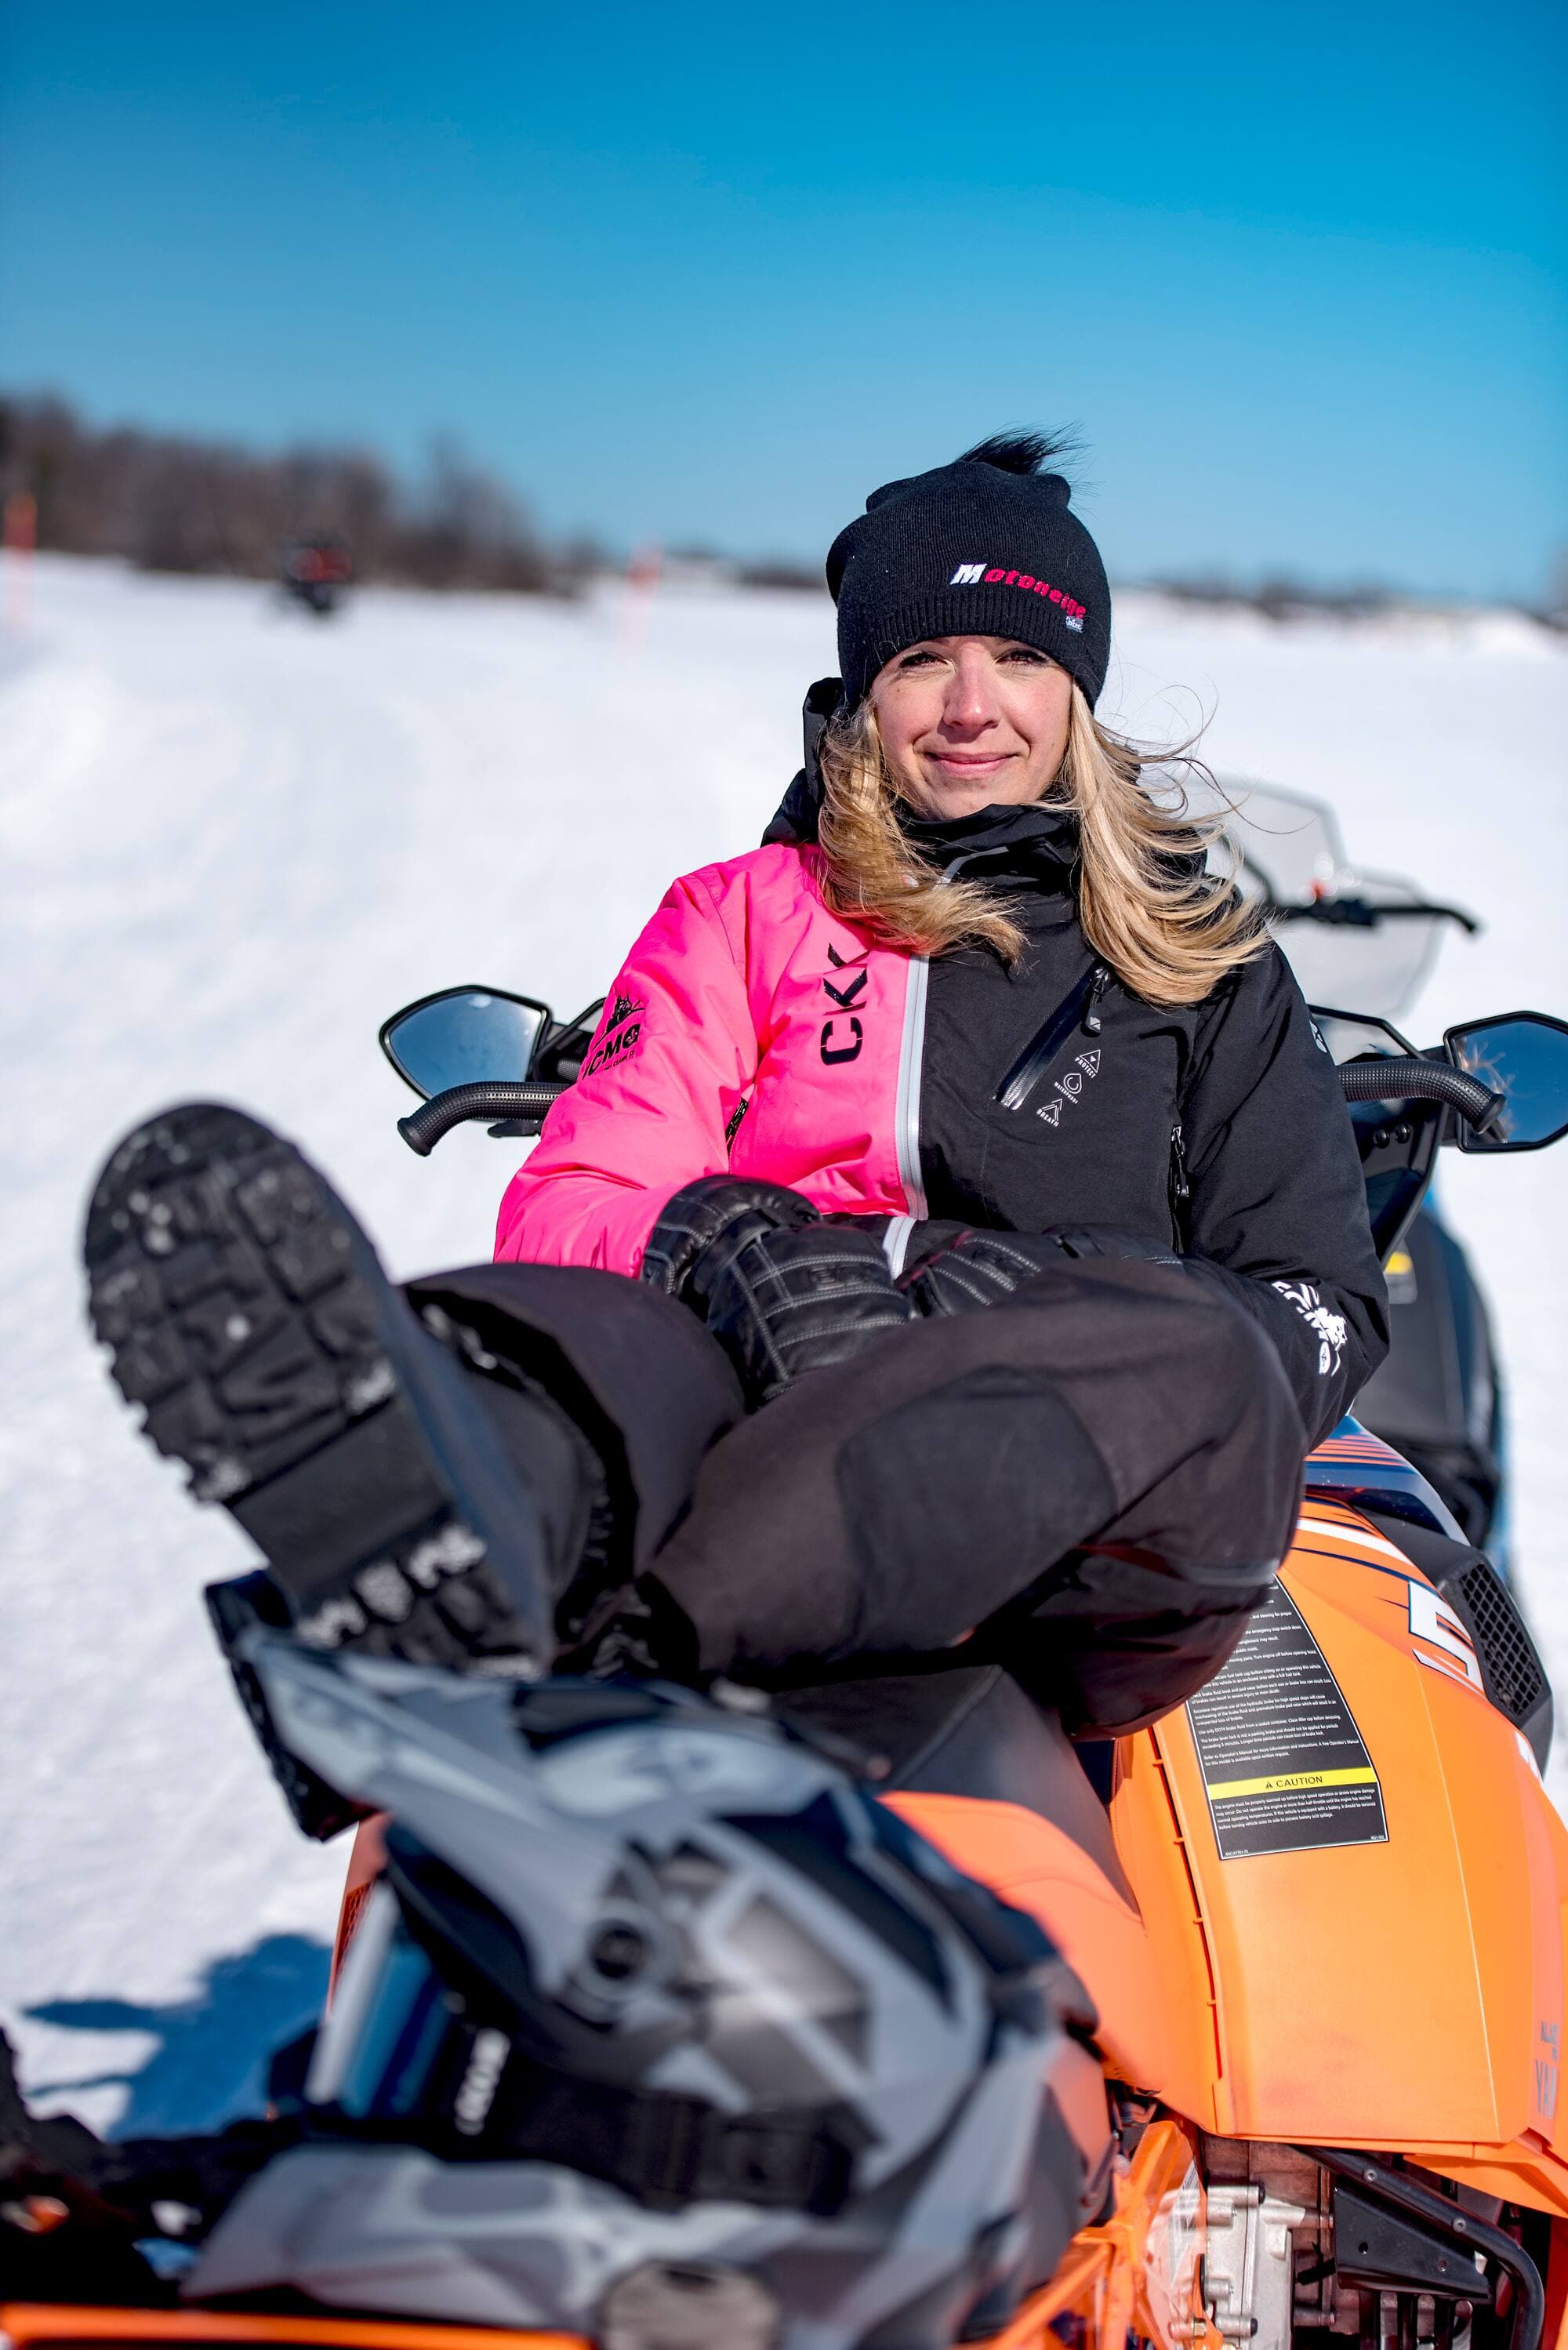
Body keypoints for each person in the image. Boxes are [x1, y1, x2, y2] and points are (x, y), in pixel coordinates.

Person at [85, 431, 1386, 1820]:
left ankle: (595, 1652)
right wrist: (717, 1248)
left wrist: (991, 1295)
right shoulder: (746, 915)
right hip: (774, 1420)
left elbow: (1318, 1304)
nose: (968, 704)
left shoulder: (1204, 960)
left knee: (1211, 1366)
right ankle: (429, 1529)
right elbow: (571, 1200)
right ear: (860, 695)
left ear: (1077, 688)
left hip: (1075, 1521)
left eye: (1015, 658)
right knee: (619, 1337)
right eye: (917, 661)